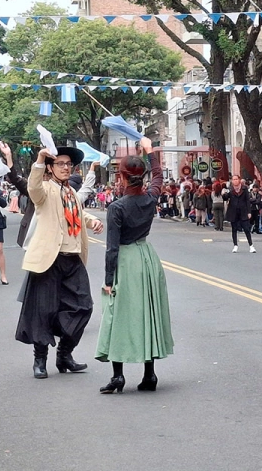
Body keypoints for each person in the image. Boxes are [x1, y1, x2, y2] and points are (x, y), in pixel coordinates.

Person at [16, 145, 104, 379]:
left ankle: (65, 354)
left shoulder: (71, 193)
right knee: (43, 310)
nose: (66, 168)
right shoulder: (45, 189)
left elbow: (76, 213)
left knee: (84, 306)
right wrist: (39, 160)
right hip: (49, 259)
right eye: (60, 164)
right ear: (51, 167)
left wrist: (92, 220)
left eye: (69, 165)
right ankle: (40, 360)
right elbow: (33, 189)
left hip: (73, 258)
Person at [96, 137, 174, 394]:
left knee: (118, 314)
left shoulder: (117, 208)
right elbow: (159, 178)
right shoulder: (150, 199)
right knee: (147, 313)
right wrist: (151, 151)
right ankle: (149, 374)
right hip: (146, 258)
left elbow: (112, 248)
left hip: (127, 261)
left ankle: (118, 376)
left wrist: (108, 280)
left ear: (122, 177)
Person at [223, 175, 254, 253]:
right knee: (234, 229)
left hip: (243, 211)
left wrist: (249, 212)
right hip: (233, 211)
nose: (235, 181)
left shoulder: (244, 188)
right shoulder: (230, 189)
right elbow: (226, 198)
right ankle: (235, 245)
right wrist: (224, 194)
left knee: (246, 229)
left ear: (239, 180)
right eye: (233, 179)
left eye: (236, 179)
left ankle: (251, 245)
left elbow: (247, 200)